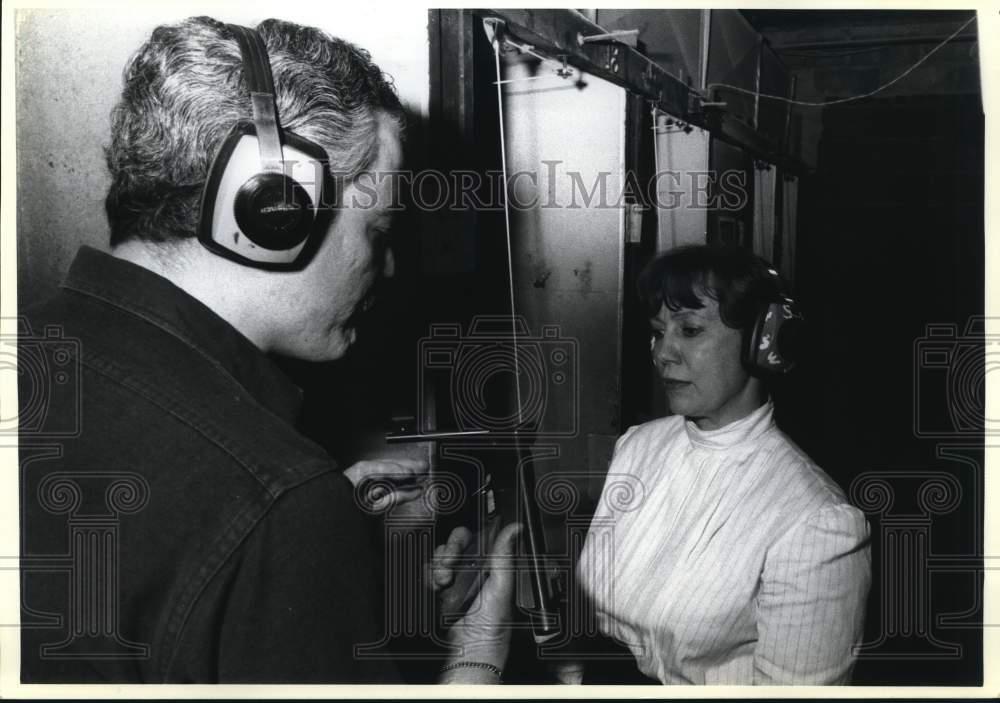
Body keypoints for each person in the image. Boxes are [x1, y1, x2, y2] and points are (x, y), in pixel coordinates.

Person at [19, 16, 517, 684]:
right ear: (274, 210)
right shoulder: (278, 498)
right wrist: (475, 655)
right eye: (381, 228)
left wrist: (321, 565)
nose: (389, 266)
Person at [566, 245, 871, 684]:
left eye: (689, 330)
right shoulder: (638, 446)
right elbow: (587, 629)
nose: (662, 354)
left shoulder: (820, 524)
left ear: (761, 343)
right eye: (657, 332)